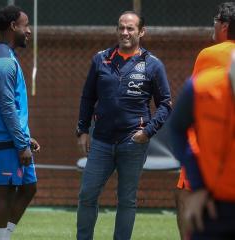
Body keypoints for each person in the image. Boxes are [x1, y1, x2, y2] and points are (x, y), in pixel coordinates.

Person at [75, 11, 172, 240]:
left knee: (126, 200)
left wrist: (148, 132)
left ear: (141, 32)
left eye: (130, 28)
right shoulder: (101, 59)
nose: (125, 32)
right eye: (121, 28)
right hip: (100, 141)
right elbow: (88, 97)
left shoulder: (153, 64)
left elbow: (166, 105)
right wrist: (82, 130)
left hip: (133, 143)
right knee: (87, 194)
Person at [174, 2, 235, 239]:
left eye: (215, 19)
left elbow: (183, 122)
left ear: (224, 25)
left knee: (184, 196)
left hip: (210, 157)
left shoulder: (209, 55)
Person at [0, 6, 40, 240]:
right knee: (6, 189)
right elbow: (6, 107)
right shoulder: (4, 61)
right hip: (6, 139)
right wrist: (20, 143)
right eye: (26, 25)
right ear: (13, 26)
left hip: (14, 138)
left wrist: (25, 137)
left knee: (28, 188)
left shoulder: (1, 53)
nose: (29, 31)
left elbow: (12, 105)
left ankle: (4, 236)